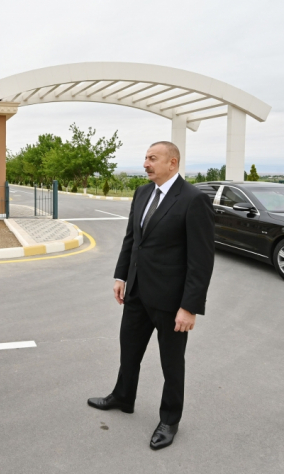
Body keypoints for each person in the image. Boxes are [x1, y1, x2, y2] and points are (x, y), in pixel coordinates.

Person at [88, 141, 215, 450]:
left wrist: (189, 307)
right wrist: (121, 276)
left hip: (172, 303)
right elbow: (133, 239)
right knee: (128, 350)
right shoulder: (142, 193)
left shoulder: (193, 200)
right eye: (145, 158)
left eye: (152, 158)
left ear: (173, 163)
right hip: (137, 294)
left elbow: (201, 259)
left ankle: (170, 419)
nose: (146, 163)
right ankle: (123, 396)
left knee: (172, 364)